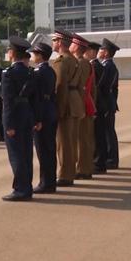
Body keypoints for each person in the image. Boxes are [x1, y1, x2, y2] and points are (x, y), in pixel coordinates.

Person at [0, 36, 42, 202]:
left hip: (15, 116)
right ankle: (28, 187)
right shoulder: (30, 72)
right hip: (28, 115)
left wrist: (9, 124)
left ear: (11, 53)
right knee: (26, 153)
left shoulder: (8, 74)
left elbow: (8, 101)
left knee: (16, 154)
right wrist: (37, 119)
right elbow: (35, 99)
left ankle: (21, 189)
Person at [51, 29, 83, 187]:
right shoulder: (74, 60)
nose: (52, 43)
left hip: (67, 104)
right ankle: (69, 172)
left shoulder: (62, 61)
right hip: (75, 102)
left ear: (59, 42)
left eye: (54, 40)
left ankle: (65, 175)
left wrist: (59, 109)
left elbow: (60, 86)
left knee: (64, 143)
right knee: (71, 141)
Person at [28, 43, 58, 194]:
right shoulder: (51, 71)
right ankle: (50, 181)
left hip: (42, 113)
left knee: (43, 149)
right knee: (50, 149)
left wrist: (37, 118)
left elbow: (37, 98)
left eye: (34, 53)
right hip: (51, 111)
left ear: (40, 55)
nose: (32, 55)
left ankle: (45, 183)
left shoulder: (37, 72)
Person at [70, 33, 96, 180]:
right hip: (86, 103)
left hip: (81, 104)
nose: (70, 46)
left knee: (81, 139)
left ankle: (83, 168)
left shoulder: (81, 63)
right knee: (84, 138)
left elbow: (82, 88)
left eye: (72, 43)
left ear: (77, 47)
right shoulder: (86, 63)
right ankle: (85, 168)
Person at [99, 38, 121, 170]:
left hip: (106, 103)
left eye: (101, 49)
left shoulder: (108, 67)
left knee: (108, 132)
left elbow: (103, 87)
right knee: (109, 132)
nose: (99, 51)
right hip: (110, 102)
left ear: (106, 53)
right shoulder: (110, 66)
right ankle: (111, 158)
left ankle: (111, 159)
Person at [89, 41, 110, 174]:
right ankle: (100, 162)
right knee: (99, 135)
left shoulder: (95, 66)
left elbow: (95, 88)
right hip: (100, 103)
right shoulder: (99, 66)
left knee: (97, 135)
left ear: (92, 52)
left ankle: (98, 163)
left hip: (96, 103)